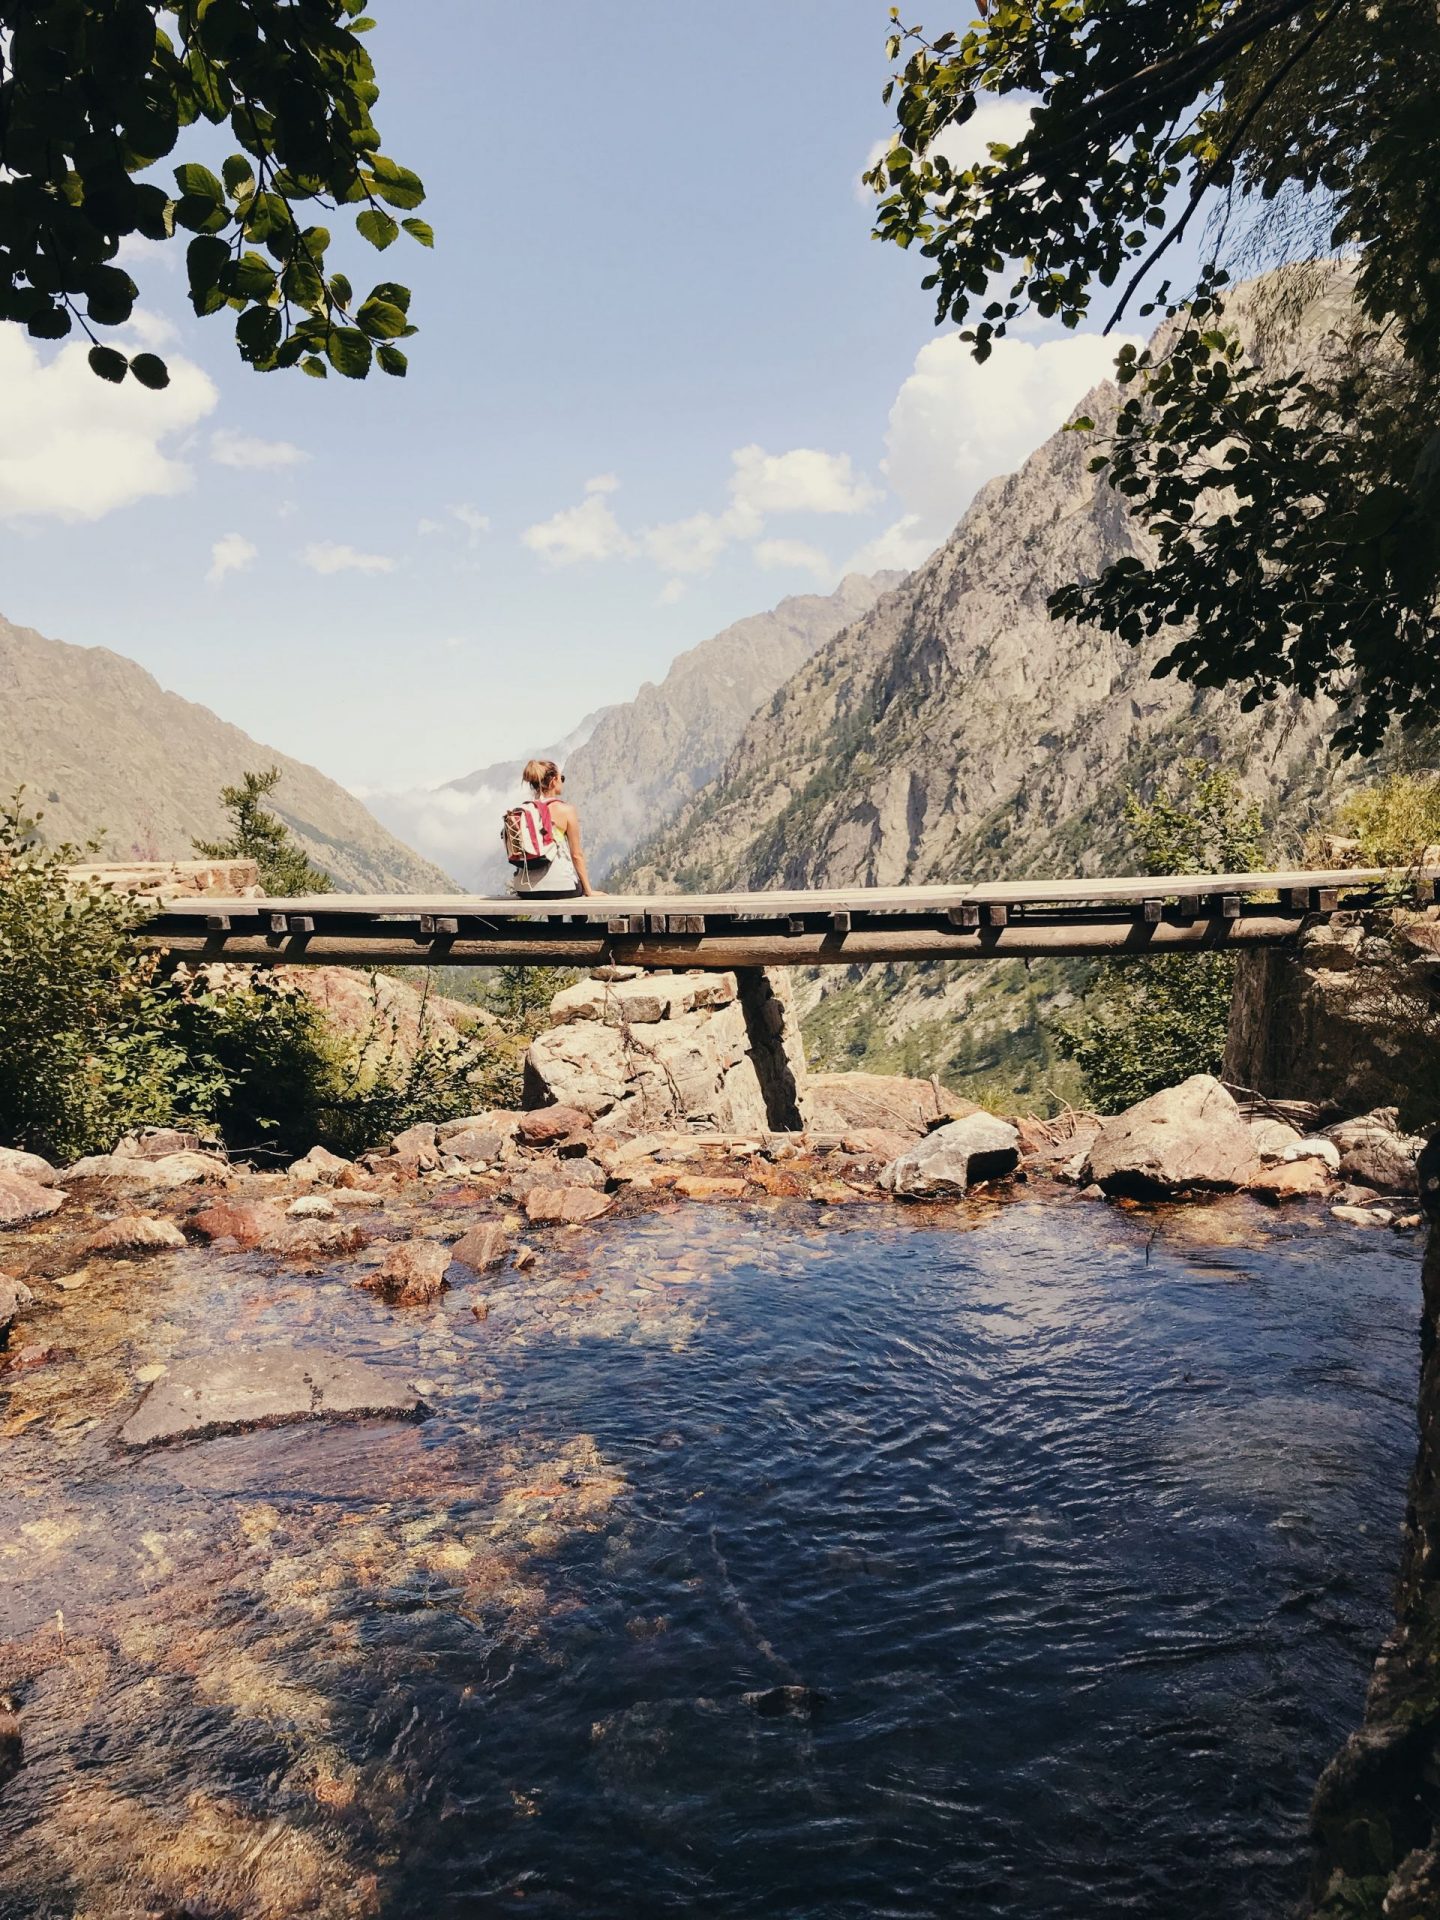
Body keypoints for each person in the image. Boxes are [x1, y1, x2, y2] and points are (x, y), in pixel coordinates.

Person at [509, 758, 596, 898]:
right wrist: (589, 891)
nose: (562, 781)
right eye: (561, 777)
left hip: (525, 889)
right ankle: (579, 921)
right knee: (574, 887)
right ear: (554, 780)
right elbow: (576, 855)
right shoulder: (566, 810)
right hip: (561, 886)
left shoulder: (523, 812)